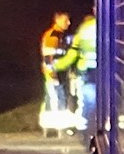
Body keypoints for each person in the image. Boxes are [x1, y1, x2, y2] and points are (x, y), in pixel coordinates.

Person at [55, 13, 99, 143]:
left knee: (86, 103)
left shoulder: (83, 31)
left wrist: (57, 65)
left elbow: (72, 55)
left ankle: (85, 133)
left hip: (87, 73)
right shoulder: (109, 27)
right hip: (107, 73)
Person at [41, 12, 74, 128]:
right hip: (54, 74)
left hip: (59, 73)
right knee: (57, 98)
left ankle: (56, 126)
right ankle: (57, 126)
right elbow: (48, 57)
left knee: (58, 98)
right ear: (57, 20)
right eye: (66, 20)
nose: (69, 23)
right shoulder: (53, 35)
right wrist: (52, 75)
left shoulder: (60, 35)